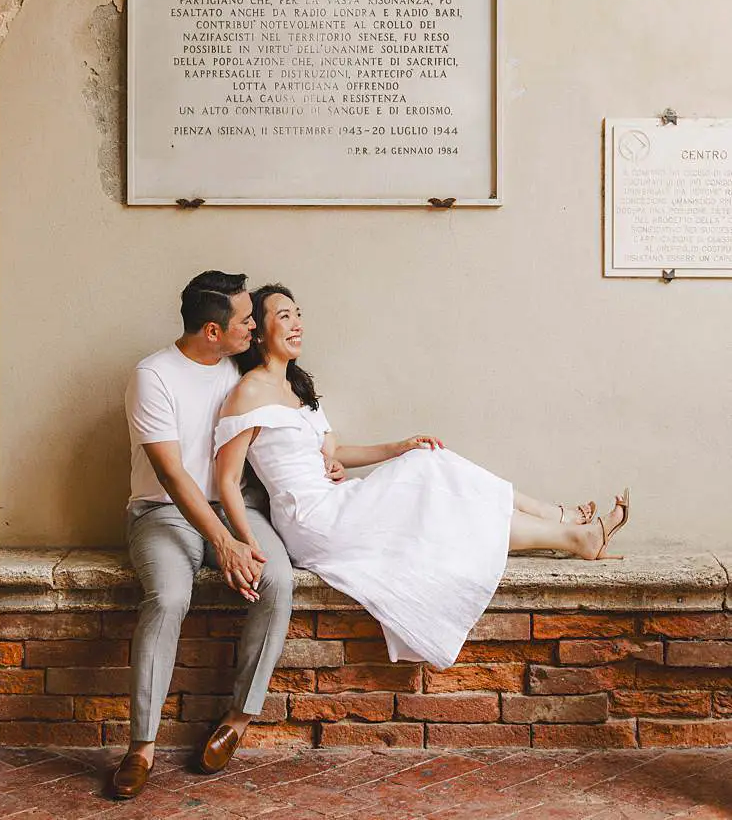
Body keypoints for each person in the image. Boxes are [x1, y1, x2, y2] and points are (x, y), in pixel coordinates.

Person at [213, 284, 630, 672]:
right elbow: (229, 479)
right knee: (428, 472)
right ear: (259, 334)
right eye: (284, 316)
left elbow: (334, 453)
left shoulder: (298, 388)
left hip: (337, 501)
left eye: (298, 314)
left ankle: (574, 535)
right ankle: (558, 517)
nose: (297, 323)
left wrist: (399, 446)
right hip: (313, 521)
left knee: (432, 471)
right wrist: (245, 543)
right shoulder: (249, 391)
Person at [110, 271, 294, 801]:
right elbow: (171, 473)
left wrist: (323, 460)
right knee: (168, 597)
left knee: (278, 580)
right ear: (212, 330)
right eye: (244, 320)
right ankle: (141, 746)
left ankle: (238, 717)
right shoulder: (154, 375)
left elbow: (287, 422)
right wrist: (223, 542)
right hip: (161, 513)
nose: (254, 326)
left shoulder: (243, 369)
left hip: (237, 509)